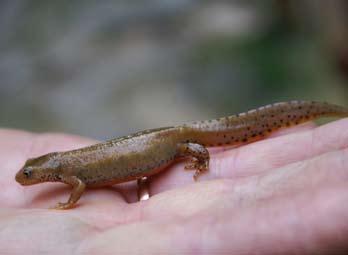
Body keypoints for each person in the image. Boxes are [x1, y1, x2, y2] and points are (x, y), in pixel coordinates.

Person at [1, 119, 348, 254]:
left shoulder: (68, 174)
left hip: (167, 143)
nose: (27, 179)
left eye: (30, 175)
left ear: (49, 166)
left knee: (192, 145)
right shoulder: (63, 169)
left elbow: (76, 189)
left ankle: (205, 158)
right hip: (156, 145)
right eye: (30, 174)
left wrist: (69, 205)